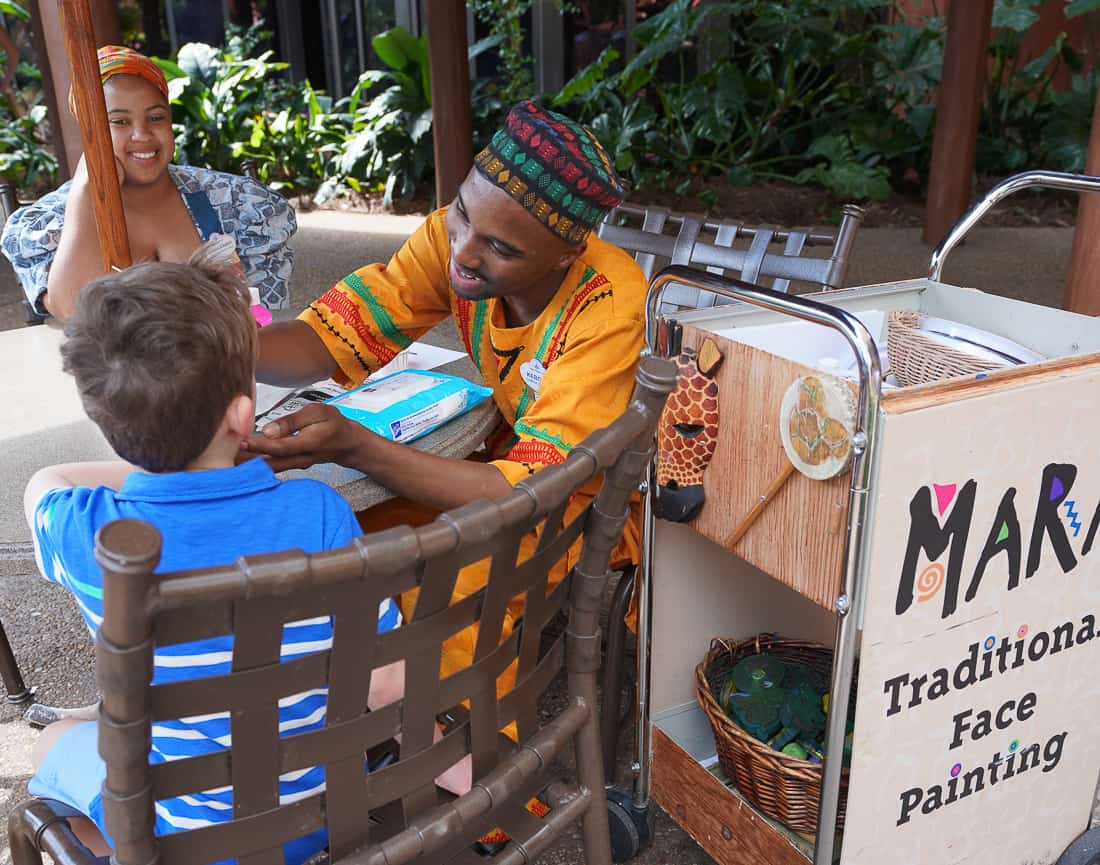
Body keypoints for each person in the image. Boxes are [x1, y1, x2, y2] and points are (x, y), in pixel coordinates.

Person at [23, 244, 468, 862]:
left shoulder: (83, 527)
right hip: (315, 815)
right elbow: (388, 685)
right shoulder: (318, 515)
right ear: (243, 411)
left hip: (185, 829)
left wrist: (146, 461)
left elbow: (45, 483)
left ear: (103, 418)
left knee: (53, 742)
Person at [245, 101, 644, 716]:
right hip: (507, 470)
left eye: (500, 248)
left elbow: (525, 494)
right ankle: (367, 722)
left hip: (593, 499)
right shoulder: (455, 239)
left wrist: (354, 445)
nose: (461, 250)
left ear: (566, 255)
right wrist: (229, 344)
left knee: (455, 579)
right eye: (460, 212)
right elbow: (329, 336)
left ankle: (483, 780)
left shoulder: (609, 308)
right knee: (345, 536)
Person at [1, 45, 296, 320]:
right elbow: (70, 309)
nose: (142, 134)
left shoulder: (236, 203)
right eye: (119, 121)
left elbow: (260, 317)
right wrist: (84, 193)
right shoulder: (48, 224)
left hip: (220, 368)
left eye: (156, 117)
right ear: (87, 130)